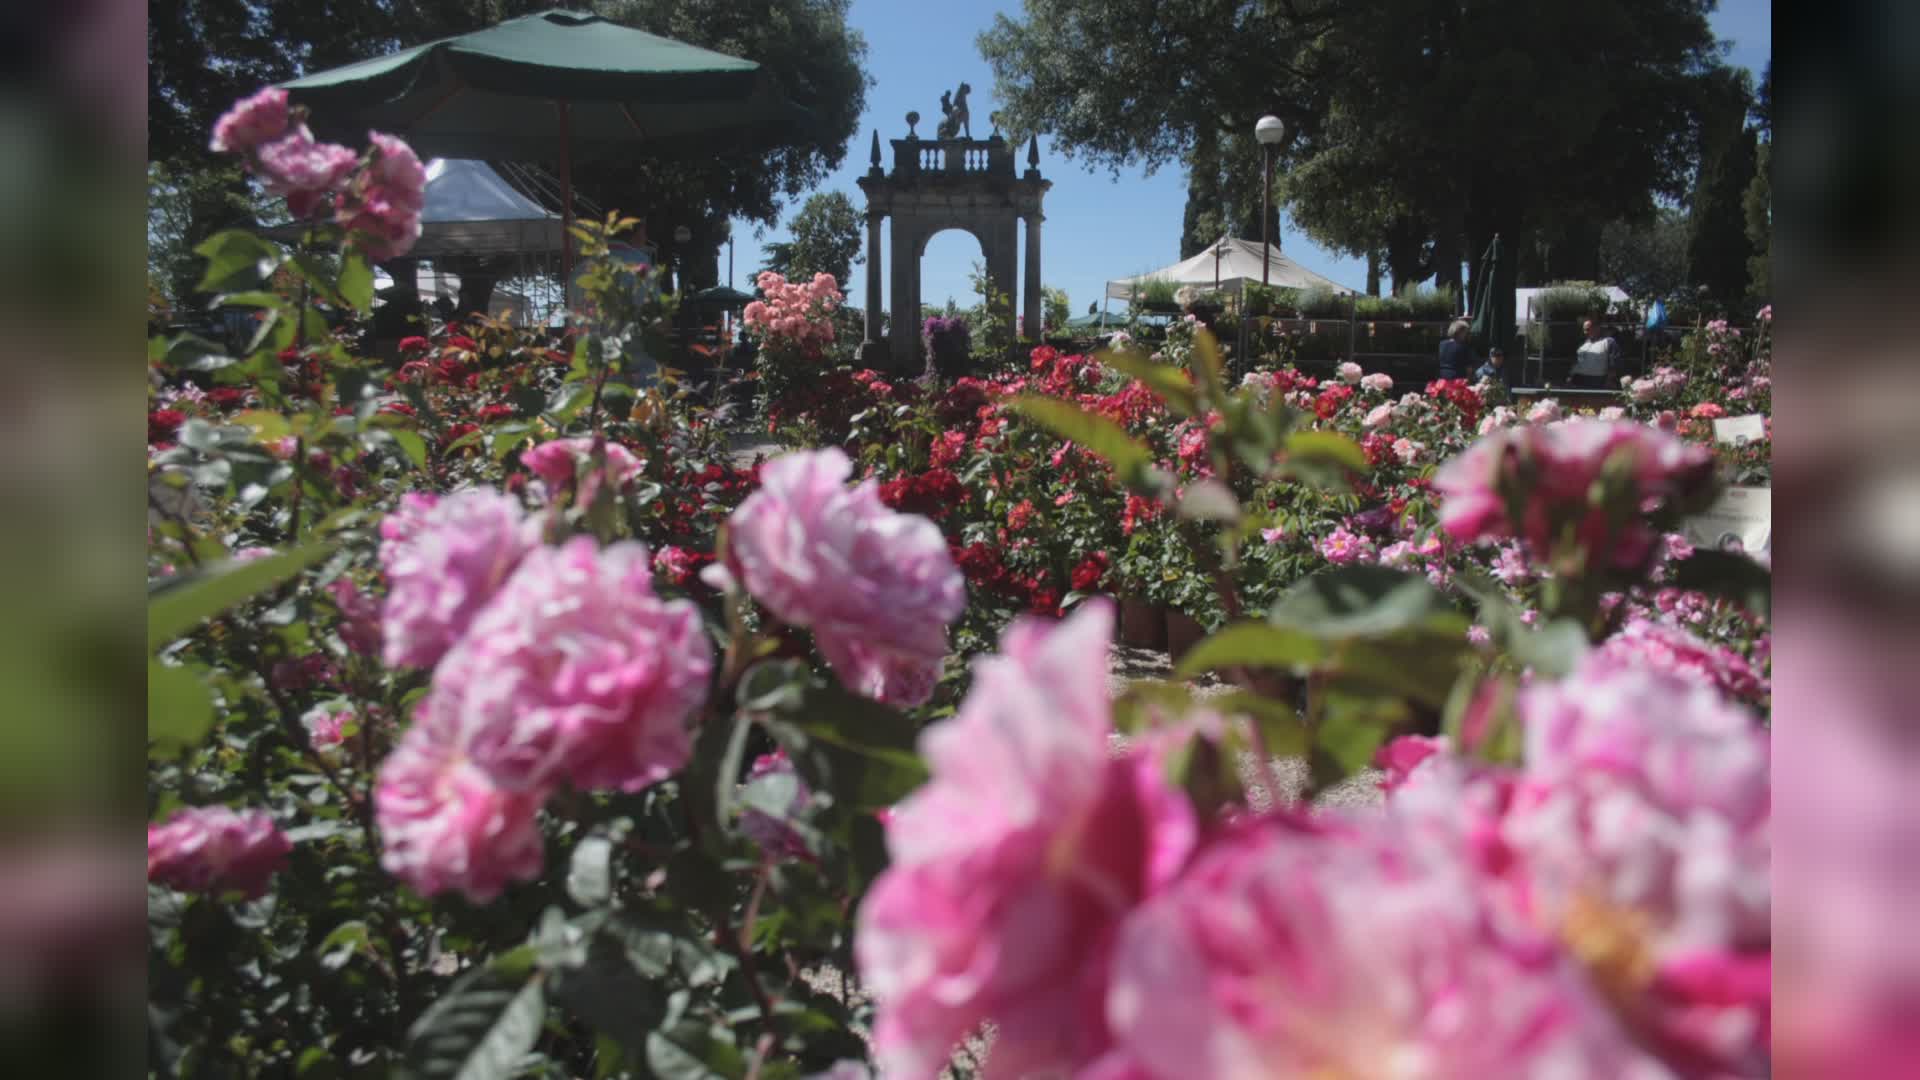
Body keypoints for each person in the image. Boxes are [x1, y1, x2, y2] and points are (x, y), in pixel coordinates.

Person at [1570, 317, 1620, 389]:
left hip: (1598, 381)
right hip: (1578, 380)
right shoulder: (1582, 343)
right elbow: (1575, 361)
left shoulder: (1609, 342)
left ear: (1597, 328)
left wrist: (1609, 380)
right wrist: (1570, 377)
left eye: (1587, 330)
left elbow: (1614, 362)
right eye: (1584, 330)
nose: (1585, 332)